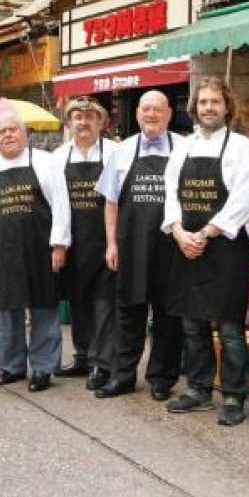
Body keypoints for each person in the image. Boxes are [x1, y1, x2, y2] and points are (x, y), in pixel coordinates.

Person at [162, 77, 249, 426]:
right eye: (203, 102)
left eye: (215, 101)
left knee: (230, 329)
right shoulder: (182, 147)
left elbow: (242, 201)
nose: (208, 108)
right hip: (185, 245)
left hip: (226, 248)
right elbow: (170, 193)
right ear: (194, 108)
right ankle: (199, 390)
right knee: (192, 324)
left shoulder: (241, 147)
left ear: (226, 106)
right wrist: (178, 231)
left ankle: (233, 395)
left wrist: (203, 233)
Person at [94, 90, 185, 400]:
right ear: (137, 115)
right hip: (130, 245)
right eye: (145, 109)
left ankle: (161, 378)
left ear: (169, 114)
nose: (151, 114)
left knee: (167, 317)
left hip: (172, 247)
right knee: (128, 313)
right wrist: (110, 244)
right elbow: (110, 203)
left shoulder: (184, 149)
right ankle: (123, 376)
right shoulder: (122, 151)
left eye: (158, 109)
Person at [0, 112, 70, 391]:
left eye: (13, 130)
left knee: (43, 306)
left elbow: (61, 207)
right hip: (4, 249)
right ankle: (12, 366)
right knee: (8, 307)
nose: (8, 135)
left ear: (25, 133)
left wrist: (60, 244)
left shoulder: (45, 162)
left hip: (41, 248)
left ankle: (43, 368)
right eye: (2, 131)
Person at [51, 97, 117, 390]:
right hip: (74, 240)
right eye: (77, 116)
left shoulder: (116, 153)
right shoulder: (58, 157)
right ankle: (82, 356)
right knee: (78, 301)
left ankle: (102, 363)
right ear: (68, 123)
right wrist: (58, 243)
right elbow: (56, 205)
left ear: (101, 122)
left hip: (106, 240)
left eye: (90, 116)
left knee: (104, 304)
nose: (83, 121)